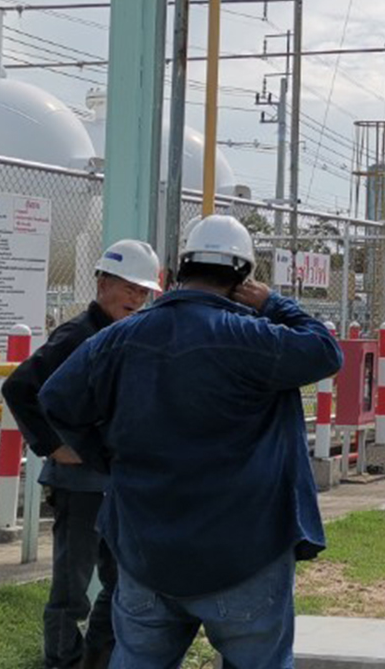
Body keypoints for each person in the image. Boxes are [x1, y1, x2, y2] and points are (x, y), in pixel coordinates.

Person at [42, 215, 342, 669]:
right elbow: (325, 349)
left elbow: (55, 399)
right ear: (243, 278)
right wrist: (273, 303)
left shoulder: (119, 339)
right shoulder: (253, 337)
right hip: (245, 551)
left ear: (181, 268)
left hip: (145, 552)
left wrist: (107, 457)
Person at [2, 240, 162, 669]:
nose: (136, 298)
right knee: (72, 589)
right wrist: (52, 445)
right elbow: (18, 387)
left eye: (143, 291)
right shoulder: (77, 335)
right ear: (103, 283)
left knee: (120, 580)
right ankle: (62, 661)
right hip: (79, 485)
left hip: (114, 480)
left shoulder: (126, 334)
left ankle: (97, 658)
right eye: (129, 288)